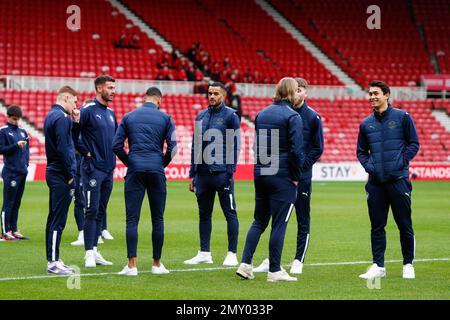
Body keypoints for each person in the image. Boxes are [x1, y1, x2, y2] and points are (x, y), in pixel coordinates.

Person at [236, 77, 305, 282]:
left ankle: (245, 264)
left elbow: (256, 146)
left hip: (261, 172)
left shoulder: (262, 113)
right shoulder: (293, 117)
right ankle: (274, 270)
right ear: (292, 92)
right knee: (279, 224)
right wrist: (295, 177)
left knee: (259, 220)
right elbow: (296, 151)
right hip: (282, 175)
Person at [253, 78, 324, 275]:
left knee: (302, 218)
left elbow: (317, 149)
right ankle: (272, 260)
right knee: (277, 219)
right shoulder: (284, 115)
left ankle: (298, 259)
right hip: (282, 175)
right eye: (295, 90)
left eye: (301, 90)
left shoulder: (312, 117)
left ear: (305, 93)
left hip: (301, 176)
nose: (297, 93)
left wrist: (301, 168)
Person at [357, 80, 419, 280]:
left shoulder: (402, 117)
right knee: (377, 226)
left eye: (376, 93)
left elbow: (414, 144)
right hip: (375, 183)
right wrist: (370, 167)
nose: (372, 97)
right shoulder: (366, 123)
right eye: (370, 94)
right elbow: (361, 152)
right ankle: (378, 266)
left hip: (398, 180)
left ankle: (408, 264)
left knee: (404, 224)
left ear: (386, 95)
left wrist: (400, 162)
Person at [113, 87, 177, 276]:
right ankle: (156, 264)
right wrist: (161, 164)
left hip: (135, 170)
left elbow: (116, 145)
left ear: (144, 98)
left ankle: (132, 265)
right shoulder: (166, 118)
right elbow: (173, 147)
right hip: (156, 170)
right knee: (158, 219)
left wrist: (131, 162)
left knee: (132, 219)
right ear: (159, 100)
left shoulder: (129, 116)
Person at [185, 82, 241, 266]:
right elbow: (196, 146)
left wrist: (230, 171)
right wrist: (192, 174)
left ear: (223, 96)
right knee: (204, 214)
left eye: (215, 93)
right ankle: (204, 253)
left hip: (221, 173)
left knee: (229, 213)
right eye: (210, 93)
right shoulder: (201, 115)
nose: (211, 96)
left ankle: (232, 253)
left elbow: (235, 145)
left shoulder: (231, 116)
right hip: (202, 174)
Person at [77, 75, 117, 268]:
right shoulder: (87, 110)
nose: (113, 91)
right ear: (99, 89)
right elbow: (73, 135)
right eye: (110, 87)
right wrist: (86, 153)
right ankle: (88, 254)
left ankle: (94, 250)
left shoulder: (110, 112)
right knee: (91, 210)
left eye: (114, 87)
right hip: (92, 169)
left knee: (101, 211)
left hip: (108, 170)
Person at [43, 86, 78, 274]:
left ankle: (53, 257)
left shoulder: (51, 115)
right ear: (65, 97)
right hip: (61, 174)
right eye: (74, 100)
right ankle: (53, 262)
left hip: (53, 171)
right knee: (58, 219)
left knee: (53, 218)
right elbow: (65, 149)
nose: (76, 105)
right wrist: (70, 175)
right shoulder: (62, 118)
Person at [0, 105, 29, 241]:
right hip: (10, 171)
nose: (16, 121)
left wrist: (26, 164)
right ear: (8, 117)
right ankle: (5, 232)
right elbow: (1, 149)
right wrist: (15, 145)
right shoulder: (3, 131)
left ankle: (14, 229)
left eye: (18, 119)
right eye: (14, 119)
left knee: (17, 202)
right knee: (8, 202)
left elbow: (26, 150)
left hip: (22, 171)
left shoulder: (23, 131)